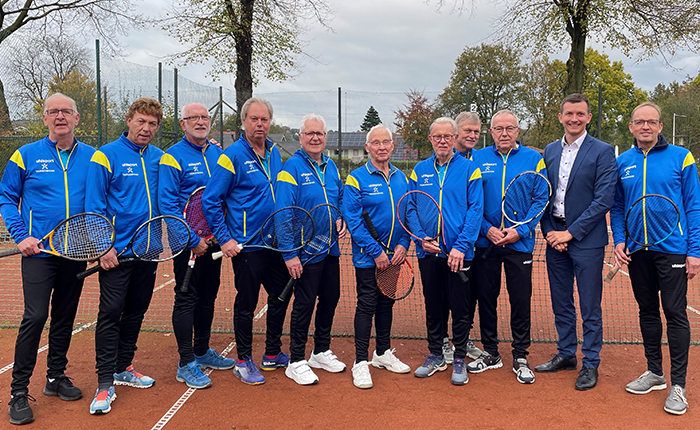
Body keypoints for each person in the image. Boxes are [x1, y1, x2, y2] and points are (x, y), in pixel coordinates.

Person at [1, 94, 94, 425]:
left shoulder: (94, 158)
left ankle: (55, 377)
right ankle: (18, 392)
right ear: (44, 119)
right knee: (35, 316)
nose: (60, 116)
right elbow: (7, 198)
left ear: (77, 118)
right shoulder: (25, 155)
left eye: (66, 111)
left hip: (75, 252)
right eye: (53, 112)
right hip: (39, 252)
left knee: (65, 316)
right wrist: (21, 235)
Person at [611, 102, 700, 415]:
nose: (645, 127)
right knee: (647, 310)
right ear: (632, 127)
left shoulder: (682, 157)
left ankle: (678, 385)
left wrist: (695, 252)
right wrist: (620, 241)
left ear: (661, 126)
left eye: (651, 122)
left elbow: (693, 206)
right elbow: (618, 207)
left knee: (675, 312)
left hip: (673, 249)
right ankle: (655, 373)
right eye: (639, 122)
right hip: (638, 251)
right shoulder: (622, 162)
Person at [202, 97, 290, 385]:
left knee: (281, 295)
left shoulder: (275, 152)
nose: (260, 124)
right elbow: (211, 200)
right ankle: (243, 360)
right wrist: (225, 239)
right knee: (247, 304)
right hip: (247, 246)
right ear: (244, 122)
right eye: (254, 119)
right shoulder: (232, 156)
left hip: (274, 243)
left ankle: (272, 353)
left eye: (264, 119)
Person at [86, 97, 164, 414]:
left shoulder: (162, 158)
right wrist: (104, 247)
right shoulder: (106, 155)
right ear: (129, 119)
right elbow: (94, 205)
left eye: (152, 124)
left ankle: (123, 367)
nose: (146, 128)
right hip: (116, 255)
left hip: (149, 250)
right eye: (141, 121)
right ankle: (105, 384)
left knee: (135, 312)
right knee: (111, 313)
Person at [535, 93, 617, 391]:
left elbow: (603, 199)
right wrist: (549, 233)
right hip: (554, 237)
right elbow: (542, 195)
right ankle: (566, 354)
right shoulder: (550, 150)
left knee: (589, 306)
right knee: (561, 302)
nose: (574, 118)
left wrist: (571, 233)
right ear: (561, 116)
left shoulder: (604, 151)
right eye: (569, 113)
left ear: (588, 117)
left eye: (580, 114)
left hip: (587, 240)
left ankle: (591, 363)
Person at [158, 102, 233, 390]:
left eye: (204, 117)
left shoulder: (218, 154)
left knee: (208, 296)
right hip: (186, 245)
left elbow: (226, 195)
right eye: (194, 118)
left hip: (214, 241)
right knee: (186, 298)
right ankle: (186, 362)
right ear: (183, 123)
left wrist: (220, 236)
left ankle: (202, 351)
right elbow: (168, 204)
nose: (200, 121)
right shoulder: (171, 158)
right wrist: (192, 240)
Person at [469, 110, 547, 384]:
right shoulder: (476, 158)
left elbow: (541, 199)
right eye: (498, 128)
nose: (504, 133)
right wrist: (486, 229)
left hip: (519, 243)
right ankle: (491, 352)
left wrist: (520, 230)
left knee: (520, 299)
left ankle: (520, 355)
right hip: (485, 243)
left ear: (517, 131)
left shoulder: (534, 160)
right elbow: (471, 201)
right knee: (486, 299)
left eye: (509, 128)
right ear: (490, 132)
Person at [409, 117, 483, 386]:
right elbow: (411, 208)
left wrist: (461, 247)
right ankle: (436, 354)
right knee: (433, 305)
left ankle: (460, 357)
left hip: (459, 255)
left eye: (447, 136)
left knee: (461, 308)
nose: (442, 141)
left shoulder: (469, 170)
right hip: (429, 253)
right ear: (430, 139)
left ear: (454, 139)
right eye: (437, 136)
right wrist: (421, 239)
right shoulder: (419, 170)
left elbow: (475, 211)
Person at [276, 113, 347, 385]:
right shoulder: (291, 168)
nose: (316, 138)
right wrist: (290, 254)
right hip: (305, 251)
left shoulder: (331, 167)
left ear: (325, 137)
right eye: (310, 134)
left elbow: (337, 197)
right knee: (304, 304)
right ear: (301, 137)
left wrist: (339, 215)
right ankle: (296, 360)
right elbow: (283, 213)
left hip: (330, 248)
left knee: (330, 298)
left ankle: (321, 350)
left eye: (320, 134)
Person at [342, 124, 412, 389]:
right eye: (376, 143)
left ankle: (382, 353)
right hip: (368, 259)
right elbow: (353, 220)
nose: (382, 147)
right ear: (367, 147)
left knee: (386, 304)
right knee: (367, 305)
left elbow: (406, 216)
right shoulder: (356, 178)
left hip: (394, 257)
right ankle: (361, 362)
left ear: (393, 146)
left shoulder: (401, 178)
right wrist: (376, 252)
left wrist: (403, 245)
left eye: (386, 142)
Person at [440, 111, 485, 364]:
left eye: (476, 132)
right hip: (449, 246)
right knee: (446, 295)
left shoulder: (479, 160)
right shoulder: (439, 162)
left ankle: (463, 337)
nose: (472, 136)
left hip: (479, 245)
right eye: (467, 131)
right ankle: (445, 339)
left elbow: (478, 206)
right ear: (457, 133)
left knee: (471, 295)